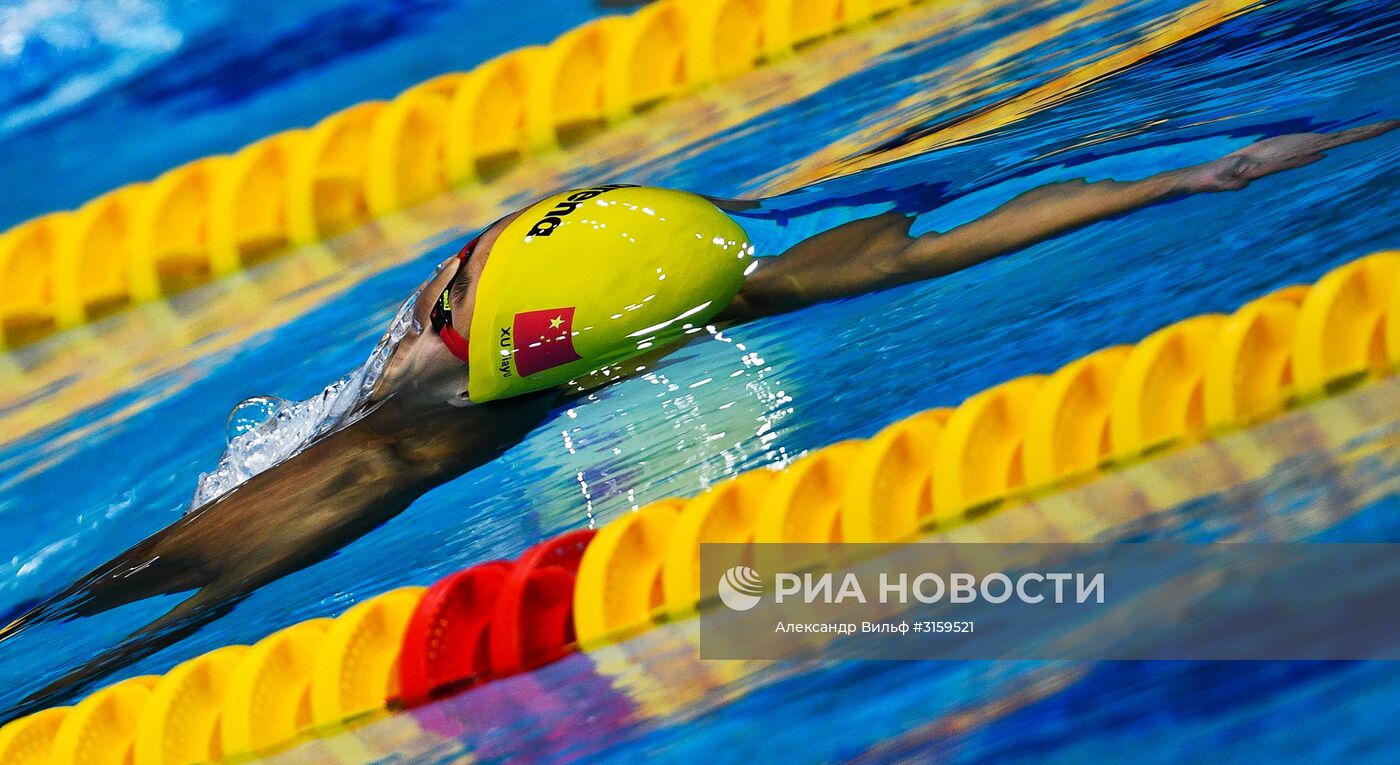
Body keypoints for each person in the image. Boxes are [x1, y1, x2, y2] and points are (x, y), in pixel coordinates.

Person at [1, 121, 1394, 715]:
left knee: (174, 606)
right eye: (436, 303)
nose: (409, 331)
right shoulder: (566, 278)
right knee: (135, 607)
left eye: (438, 324)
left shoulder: (406, 435)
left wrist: (1195, 184)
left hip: (406, 454)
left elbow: (935, 247)